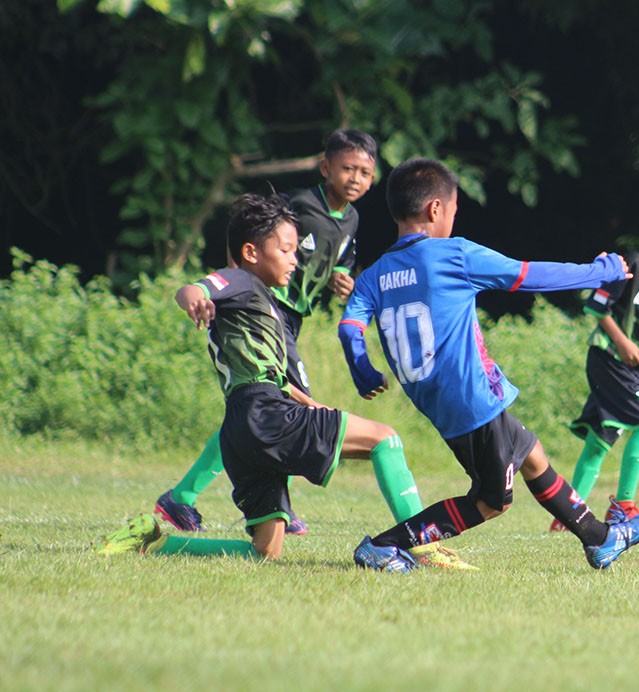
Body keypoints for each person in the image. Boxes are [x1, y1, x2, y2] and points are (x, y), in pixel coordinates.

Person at [149, 132, 463, 566]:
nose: (295, 258)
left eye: (366, 172)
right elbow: (196, 287)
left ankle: (155, 542)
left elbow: (271, 373)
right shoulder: (244, 280)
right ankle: (422, 545)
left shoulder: (322, 243)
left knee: (265, 552)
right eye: (286, 249)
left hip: (244, 425)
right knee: (385, 440)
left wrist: (311, 401)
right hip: (265, 412)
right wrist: (195, 298)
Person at [340, 157, 639, 573]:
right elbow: (528, 275)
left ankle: (599, 539)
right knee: (491, 501)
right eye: (454, 210)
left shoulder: (374, 275)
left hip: (439, 401)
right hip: (472, 398)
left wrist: (361, 368)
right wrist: (598, 273)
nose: (453, 219)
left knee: (532, 455)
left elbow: (349, 326)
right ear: (435, 209)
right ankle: (384, 545)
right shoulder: (453, 254)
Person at [153, 130, 377, 537]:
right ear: (326, 168)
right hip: (272, 308)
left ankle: (184, 496)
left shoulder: (353, 219)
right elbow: (254, 233)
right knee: (282, 408)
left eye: (365, 172)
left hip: (292, 318)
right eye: (348, 168)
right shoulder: (301, 205)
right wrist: (231, 281)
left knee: (264, 409)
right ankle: (265, 506)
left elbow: (339, 261)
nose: (355, 178)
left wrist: (340, 278)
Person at [552, 184, 639, 531]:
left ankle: (567, 515)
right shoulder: (631, 264)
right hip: (609, 358)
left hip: (632, 366)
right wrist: (623, 343)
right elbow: (596, 306)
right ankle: (624, 506)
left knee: (600, 440)